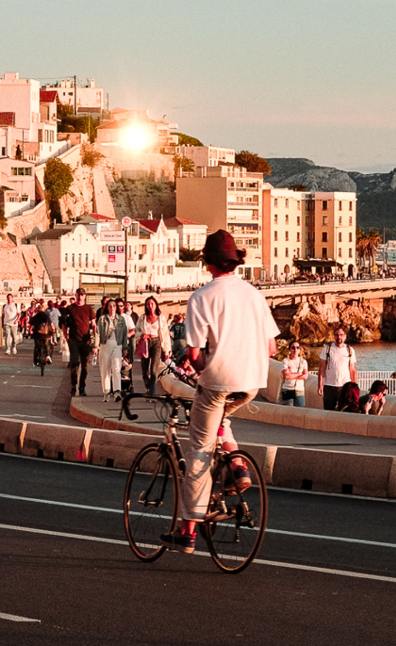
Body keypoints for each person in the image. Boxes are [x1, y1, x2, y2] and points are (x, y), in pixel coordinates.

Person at [163, 230, 279, 554]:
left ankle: (187, 531)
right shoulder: (254, 294)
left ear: (208, 263)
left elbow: (196, 355)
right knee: (221, 420)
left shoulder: (201, 297)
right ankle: (237, 466)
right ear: (236, 262)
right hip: (253, 382)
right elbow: (270, 346)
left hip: (218, 381)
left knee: (198, 449)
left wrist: (201, 369)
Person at [62, 288, 96, 396]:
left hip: (85, 340)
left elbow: (94, 324)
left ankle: (82, 387)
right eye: (78, 295)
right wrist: (66, 335)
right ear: (76, 296)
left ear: (85, 296)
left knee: (85, 365)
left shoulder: (89, 309)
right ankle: (73, 386)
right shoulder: (70, 308)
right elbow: (64, 324)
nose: (80, 297)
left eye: (82, 295)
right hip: (73, 340)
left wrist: (94, 338)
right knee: (74, 363)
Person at [317, 325, 357, 410]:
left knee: (344, 411)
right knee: (328, 412)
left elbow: (353, 370)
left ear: (345, 336)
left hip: (345, 387)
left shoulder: (350, 350)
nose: (339, 337)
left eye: (341, 335)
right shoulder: (327, 349)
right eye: (337, 335)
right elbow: (321, 368)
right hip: (329, 386)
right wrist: (320, 385)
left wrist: (354, 387)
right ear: (334, 336)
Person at [136, 296, 171, 393]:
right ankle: (148, 387)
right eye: (148, 304)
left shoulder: (161, 318)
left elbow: (165, 334)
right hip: (145, 343)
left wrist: (167, 350)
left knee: (154, 370)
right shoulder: (142, 318)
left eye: (152, 304)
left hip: (156, 342)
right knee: (144, 371)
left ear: (156, 305)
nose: (150, 306)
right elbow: (136, 331)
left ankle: (153, 393)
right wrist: (141, 335)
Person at [96, 299, 125, 401]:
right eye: (110, 306)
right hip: (105, 344)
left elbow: (124, 334)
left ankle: (117, 391)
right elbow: (98, 332)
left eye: (114, 306)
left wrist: (125, 347)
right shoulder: (102, 319)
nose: (112, 308)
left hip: (117, 345)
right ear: (107, 308)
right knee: (105, 370)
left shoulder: (120, 319)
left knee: (116, 368)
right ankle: (107, 392)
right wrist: (96, 346)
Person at [279, 342, 309, 407]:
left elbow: (305, 376)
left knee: (300, 412)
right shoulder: (286, 361)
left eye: (297, 348)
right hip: (287, 389)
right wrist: (299, 374)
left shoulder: (303, 362)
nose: (295, 349)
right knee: (288, 411)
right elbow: (286, 376)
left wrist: (292, 375)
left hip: (299, 390)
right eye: (293, 347)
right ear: (290, 349)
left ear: (299, 350)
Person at [29, 300, 54, 367]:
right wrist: (53, 330)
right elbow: (50, 323)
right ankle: (48, 356)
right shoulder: (46, 316)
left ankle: (35, 361)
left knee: (36, 346)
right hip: (45, 333)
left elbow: (31, 323)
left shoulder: (36, 316)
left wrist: (30, 330)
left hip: (37, 333)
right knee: (47, 344)